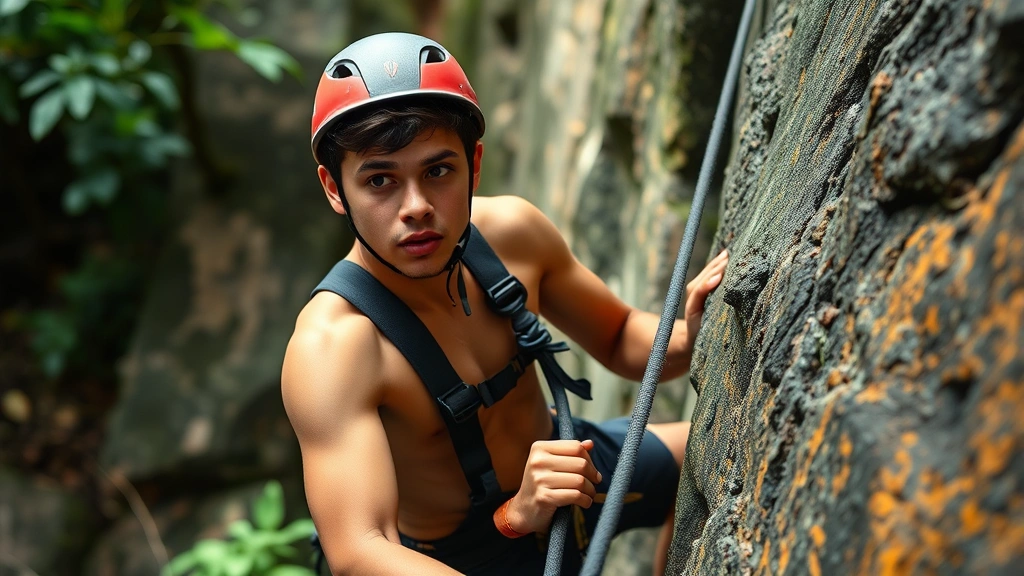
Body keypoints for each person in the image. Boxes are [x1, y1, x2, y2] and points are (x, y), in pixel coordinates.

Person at [281, 32, 729, 575]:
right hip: (460, 558)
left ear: (474, 162)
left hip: (565, 475)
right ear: (334, 188)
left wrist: (692, 334)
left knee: (713, 451)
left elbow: (617, 338)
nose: (416, 207)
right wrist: (516, 517)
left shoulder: (513, 236)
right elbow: (360, 550)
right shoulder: (333, 348)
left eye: (438, 171)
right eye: (380, 180)